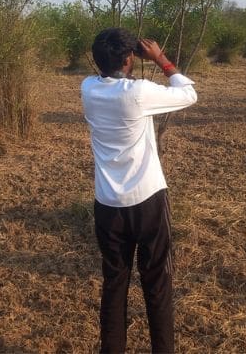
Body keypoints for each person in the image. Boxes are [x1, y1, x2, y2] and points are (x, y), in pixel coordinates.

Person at [81, 28, 198, 354]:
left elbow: (109, 76)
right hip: (147, 201)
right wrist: (160, 58)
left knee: (114, 284)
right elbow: (189, 94)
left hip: (107, 204)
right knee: (157, 284)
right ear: (130, 59)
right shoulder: (139, 92)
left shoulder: (88, 88)